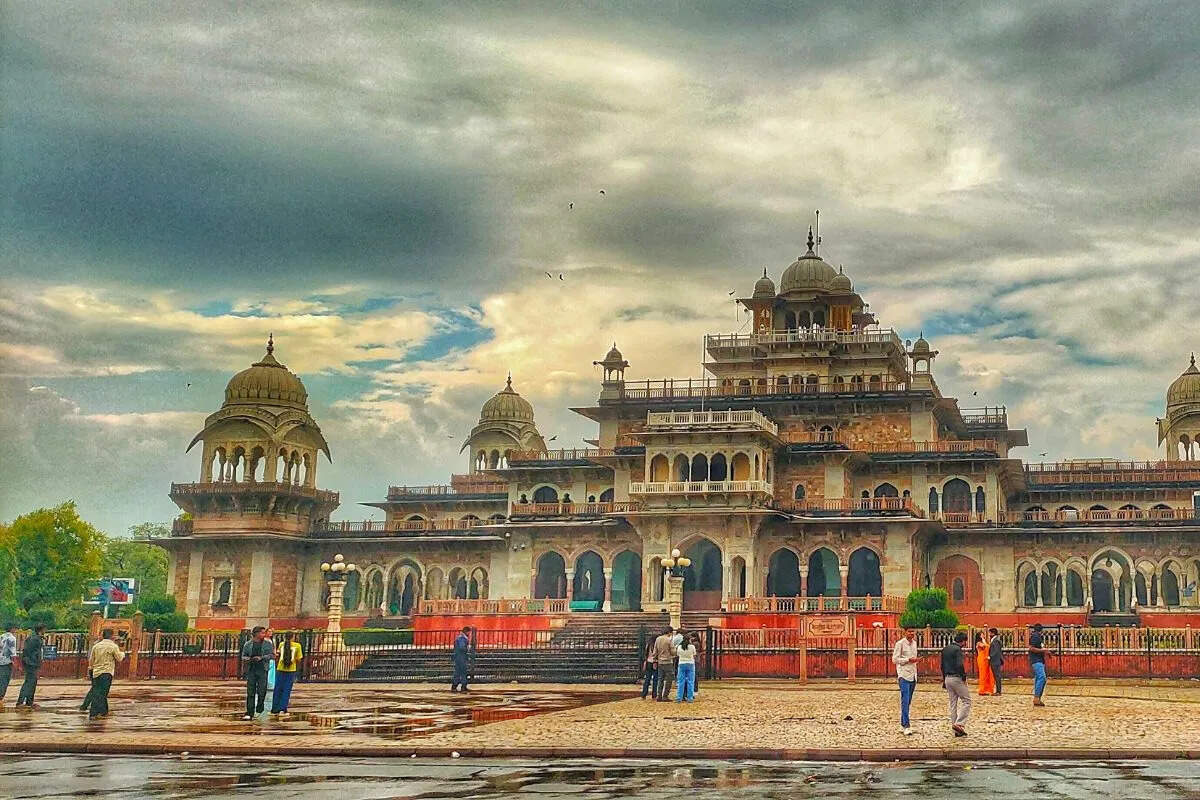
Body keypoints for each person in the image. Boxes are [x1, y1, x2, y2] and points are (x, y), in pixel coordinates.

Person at [86, 629, 125, 720]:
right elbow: (119, 658)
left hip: (96, 672)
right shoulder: (113, 646)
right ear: (111, 636)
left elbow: (91, 660)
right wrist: (123, 653)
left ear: (103, 635)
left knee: (97, 692)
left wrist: (90, 669)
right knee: (102, 693)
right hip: (107, 673)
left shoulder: (96, 646)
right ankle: (94, 713)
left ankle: (103, 711)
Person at [240, 626, 275, 720]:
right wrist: (250, 659)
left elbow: (272, 655)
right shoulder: (248, 644)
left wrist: (262, 658)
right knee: (250, 691)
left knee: (261, 690)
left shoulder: (267, 644)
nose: (264, 634)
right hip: (251, 669)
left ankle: (260, 706)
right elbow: (243, 656)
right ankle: (249, 712)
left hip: (262, 669)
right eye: (262, 633)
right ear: (256, 633)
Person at [940, 631, 970, 737]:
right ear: (962, 641)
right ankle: (959, 724)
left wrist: (944, 680)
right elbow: (959, 665)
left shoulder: (945, 649)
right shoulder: (957, 650)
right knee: (967, 701)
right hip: (956, 678)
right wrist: (963, 677)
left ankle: (956, 729)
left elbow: (942, 666)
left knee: (953, 704)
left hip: (947, 678)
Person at [891, 626, 918, 735]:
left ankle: (903, 723)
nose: (911, 633)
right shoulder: (900, 644)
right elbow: (894, 659)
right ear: (905, 632)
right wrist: (907, 660)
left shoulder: (915, 643)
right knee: (905, 700)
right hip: (903, 675)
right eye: (909, 631)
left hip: (913, 674)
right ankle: (907, 725)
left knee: (908, 701)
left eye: (913, 631)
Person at [271, 632, 302, 715]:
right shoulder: (297, 646)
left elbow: (278, 655)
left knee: (277, 689)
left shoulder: (281, 644)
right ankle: (282, 708)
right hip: (291, 669)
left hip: (280, 668)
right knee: (286, 690)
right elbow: (299, 659)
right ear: (293, 637)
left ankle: (274, 708)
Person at [15, 624, 45, 709]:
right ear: (41, 630)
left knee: (33, 683)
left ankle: (29, 702)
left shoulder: (36, 638)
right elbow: (28, 651)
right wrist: (31, 661)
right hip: (31, 663)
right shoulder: (34, 639)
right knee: (29, 683)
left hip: (33, 663)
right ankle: (20, 702)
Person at [653, 628, 676, 701]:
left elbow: (655, 650)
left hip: (660, 661)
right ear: (669, 632)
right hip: (668, 661)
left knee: (660, 679)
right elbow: (673, 651)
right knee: (669, 679)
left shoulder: (658, 639)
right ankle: (665, 695)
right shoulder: (669, 640)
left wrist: (655, 660)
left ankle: (659, 695)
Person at [1029, 623, 1049, 706]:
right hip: (1036, 660)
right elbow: (1031, 648)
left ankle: (1037, 697)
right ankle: (1036, 697)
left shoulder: (1037, 637)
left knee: (1038, 678)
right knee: (1042, 677)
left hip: (1039, 660)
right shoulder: (1035, 636)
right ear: (1041, 630)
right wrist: (1043, 650)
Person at [675, 634, 697, 702]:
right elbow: (694, 654)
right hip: (690, 663)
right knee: (690, 681)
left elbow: (678, 654)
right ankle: (690, 697)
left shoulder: (679, 647)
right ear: (689, 640)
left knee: (681, 681)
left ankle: (679, 697)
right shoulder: (692, 647)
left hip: (681, 663)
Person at [0, 622, 17, 709]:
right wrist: (16, 664)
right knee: (5, 681)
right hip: (7, 662)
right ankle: (0, 698)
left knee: (1, 680)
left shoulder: (2, 636)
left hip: (0, 661)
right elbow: (13, 653)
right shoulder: (12, 638)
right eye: (15, 628)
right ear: (12, 628)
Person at [451, 626, 471, 692]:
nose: (469, 634)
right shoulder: (462, 638)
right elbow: (462, 647)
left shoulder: (460, 638)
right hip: (461, 657)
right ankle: (462, 686)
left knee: (458, 672)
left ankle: (455, 686)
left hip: (458, 657)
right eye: (469, 632)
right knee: (462, 672)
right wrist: (467, 648)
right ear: (466, 632)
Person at [640, 635, 658, 700]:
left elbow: (645, 654)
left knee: (647, 679)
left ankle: (644, 694)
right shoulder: (655, 646)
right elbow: (655, 655)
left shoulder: (648, 645)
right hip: (654, 662)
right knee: (655, 679)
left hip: (648, 662)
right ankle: (654, 695)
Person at [988, 628, 1004, 696]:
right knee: (996, 676)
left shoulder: (996, 641)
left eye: (990, 633)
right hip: (995, 660)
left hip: (995, 661)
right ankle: (998, 691)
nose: (989, 634)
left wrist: (990, 657)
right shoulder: (995, 640)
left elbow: (996, 651)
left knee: (997, 676)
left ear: (993, 633)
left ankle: (998, 691)